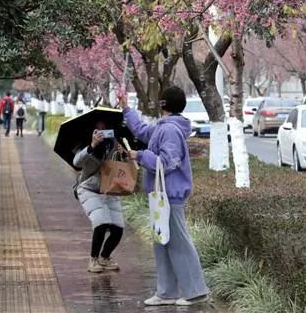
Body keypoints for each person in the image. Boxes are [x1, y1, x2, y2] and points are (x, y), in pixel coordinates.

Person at [120, 87, 209, 307]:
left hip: (170, 195)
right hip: (161, 195)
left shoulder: (169, 131)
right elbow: (142, 130)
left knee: (178, 242)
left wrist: (139, 155)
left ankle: (195, 291)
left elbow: (168, 163)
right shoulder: (165, 127)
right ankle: (166, 292)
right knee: (163, 242)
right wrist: (125, 107)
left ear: (163, 105)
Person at [73, 122, 126, 273]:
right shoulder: (84, 143)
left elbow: (122, 164)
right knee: (101, 223)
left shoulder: (113, 142)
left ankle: (105, 257)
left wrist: (122, 152)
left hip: (109, 188)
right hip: (88, 188)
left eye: (105, 128)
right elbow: (76, 162)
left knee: (118, 228)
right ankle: (93, 260)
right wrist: (92, 145)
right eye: (98, 129)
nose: (102, 131)